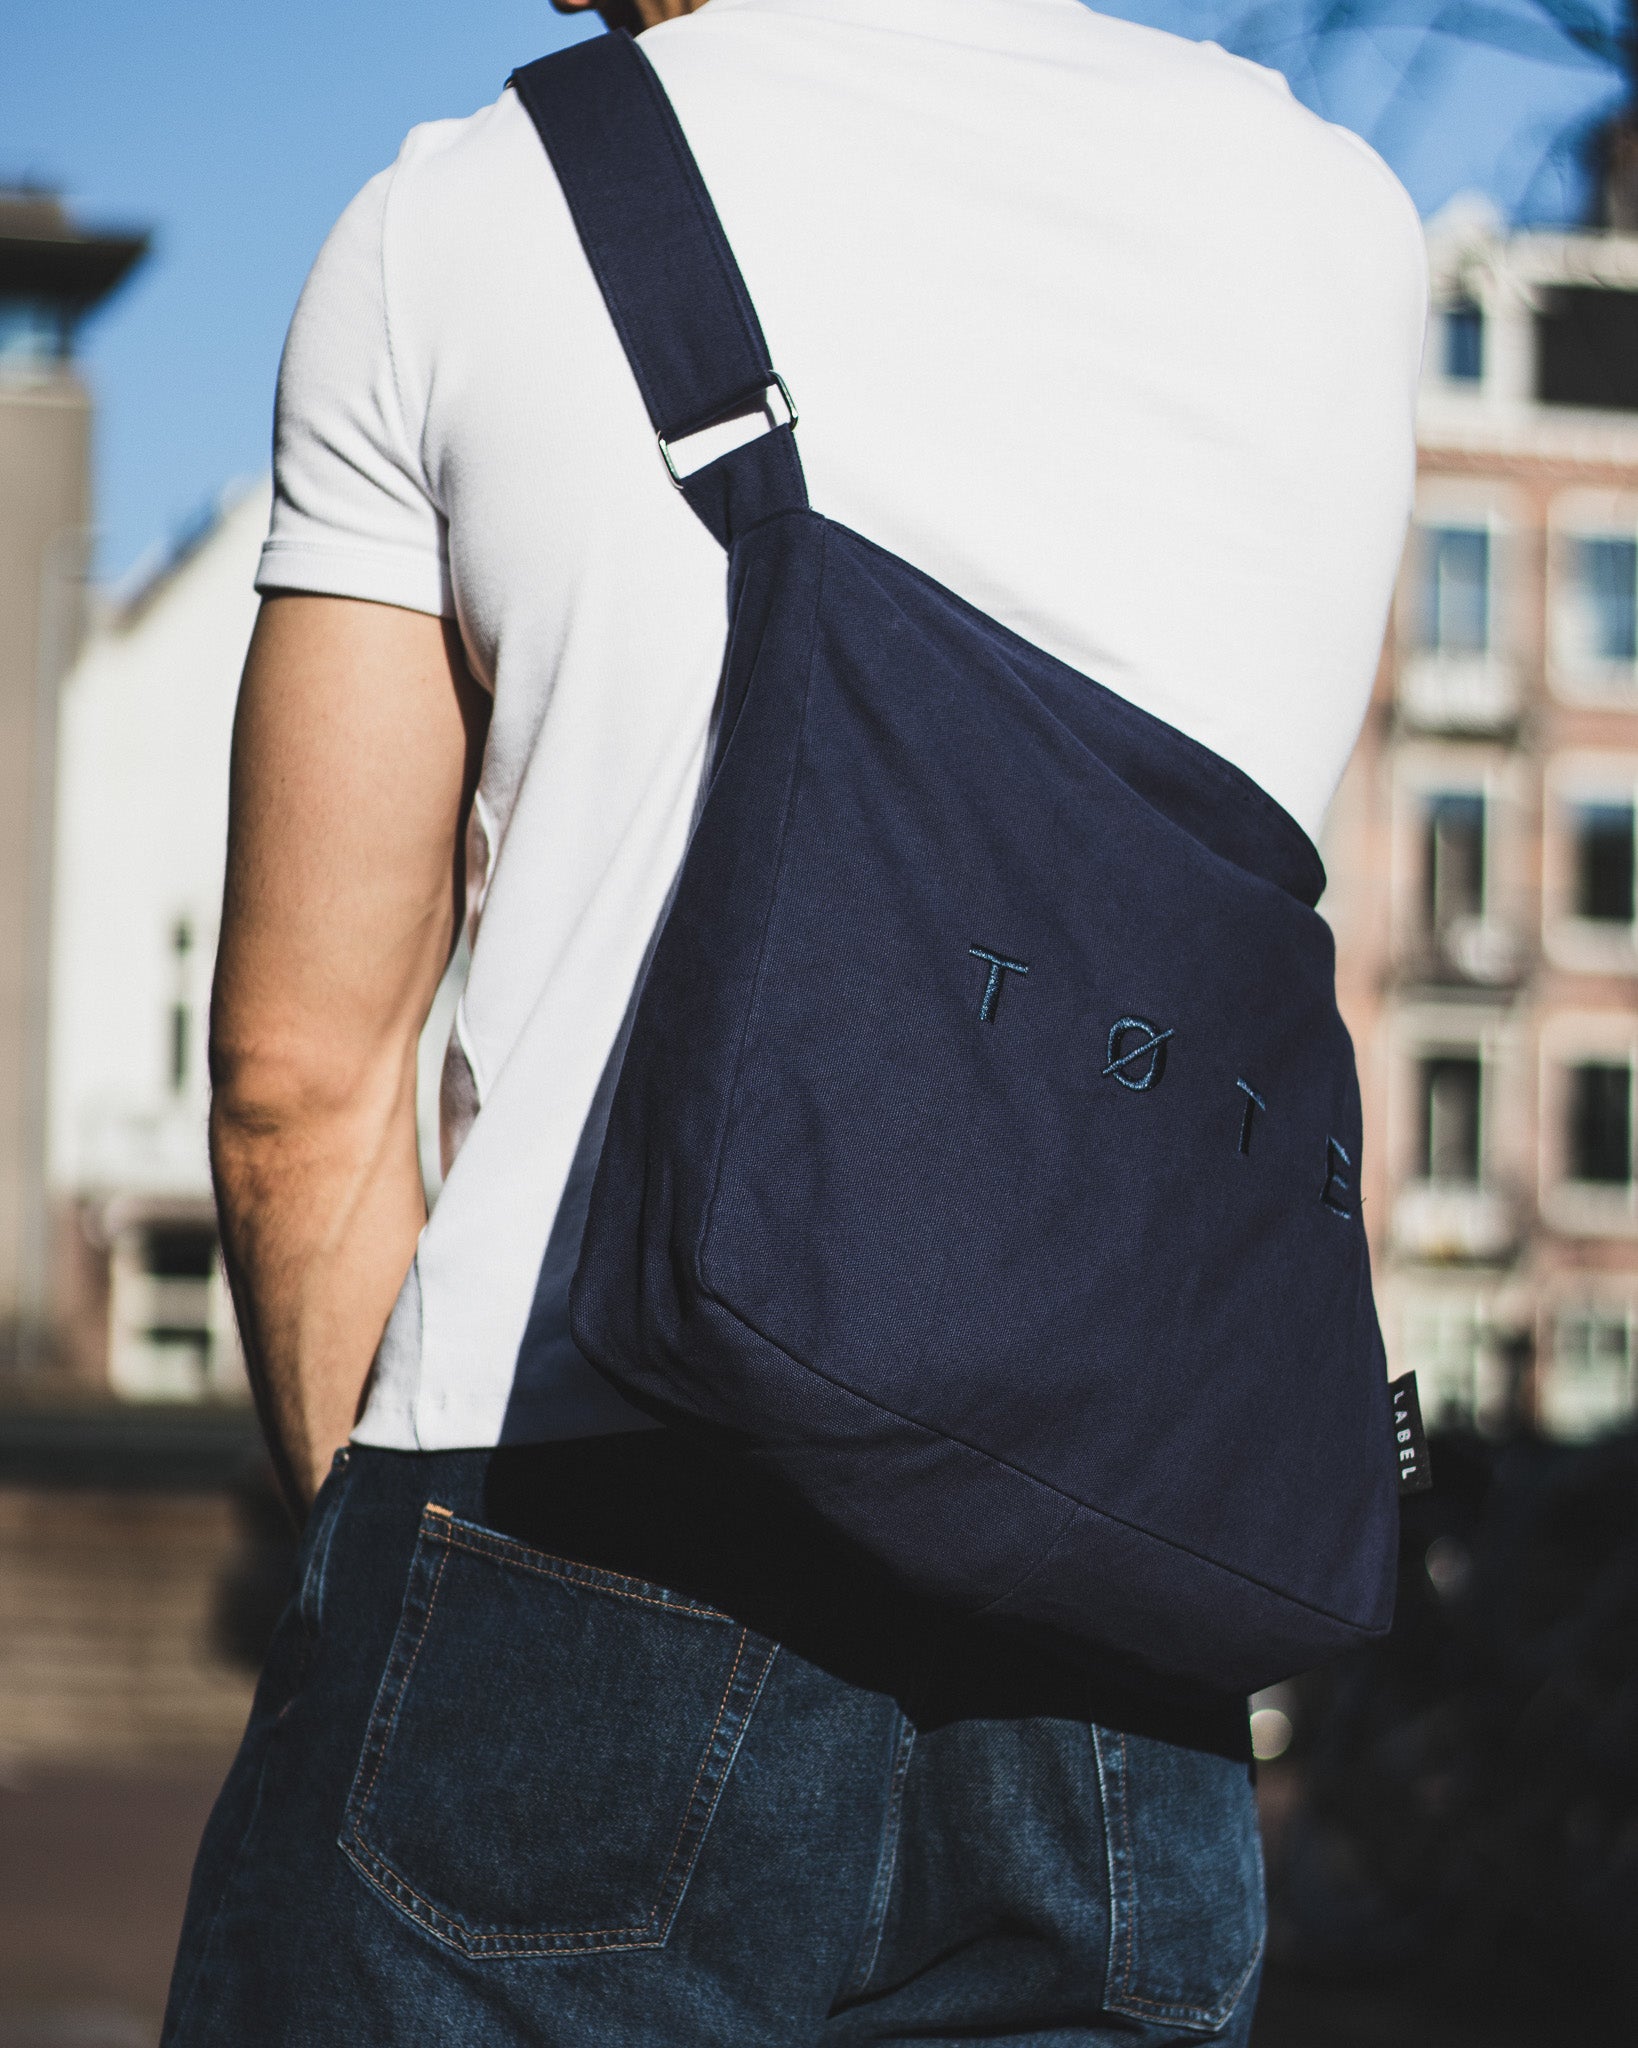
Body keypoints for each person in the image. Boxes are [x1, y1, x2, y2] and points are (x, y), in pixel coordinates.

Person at [163, 0, 1426, 2040]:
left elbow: (294, 1084)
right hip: (1128, 1630)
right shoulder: (1340, 219)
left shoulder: (479, 208)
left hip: (564, 1515)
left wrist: (393, 1601)